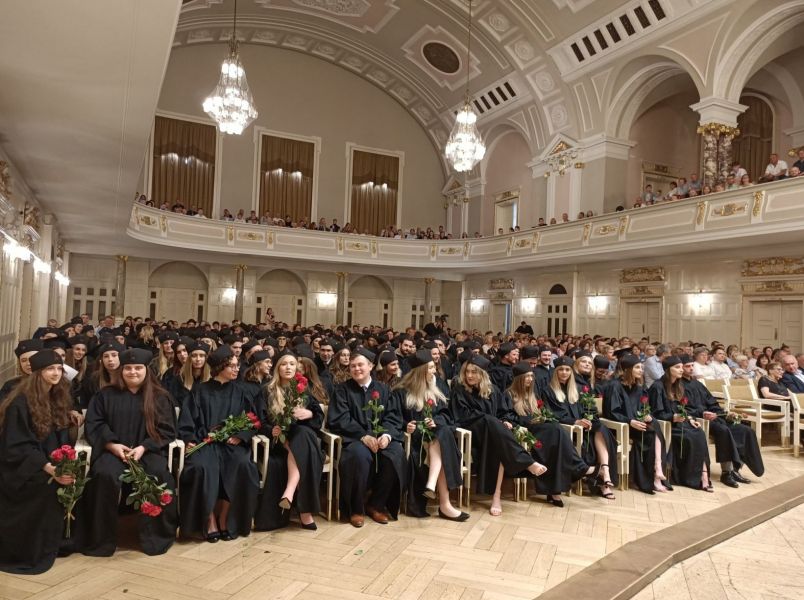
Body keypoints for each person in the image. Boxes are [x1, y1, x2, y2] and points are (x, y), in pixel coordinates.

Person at [75, 348, 178, 556]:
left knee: (157, 474)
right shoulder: (104, 395)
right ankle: (101, 539)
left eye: (138, 368)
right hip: (112, 451)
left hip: (147, 451)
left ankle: (154, 538)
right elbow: (95, 424)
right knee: (104, 475)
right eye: (128, 368)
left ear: (146, 371)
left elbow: (166, 429)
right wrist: (112, 445)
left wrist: (144, 447)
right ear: (121, 370)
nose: (132, 372)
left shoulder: (160, 397)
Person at [0, 350, 75, 573]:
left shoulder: (57, 396)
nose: (55, 373)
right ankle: (30, 550)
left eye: (59, 369)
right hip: (19, 467)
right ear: (37, 373)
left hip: (45, 461)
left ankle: (53, 543)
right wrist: (48, 468)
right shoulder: (19, 403)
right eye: (49, 369)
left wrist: (63, 463)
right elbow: (17, 445)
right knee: (45, 488)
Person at [177, 346, 259, 542]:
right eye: (231, 366)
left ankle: (225, 518)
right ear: (220, 367)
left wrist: (241, 435)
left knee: (242, 466)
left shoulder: (241, 391)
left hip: (232, 444)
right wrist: (190, 440)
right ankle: (209, 519)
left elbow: (252, 419)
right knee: (201, 467)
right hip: (205, 442)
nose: (236, 369)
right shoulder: (200, 391)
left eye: (237, 365)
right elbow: (187, 422)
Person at [449, 355, 547, 516]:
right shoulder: (459, 390)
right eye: (467, 372)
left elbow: (504, 412)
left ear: (482, 373)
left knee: (500, 439)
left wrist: (506, 421)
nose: (469, 376)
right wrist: (495, 421)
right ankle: (527, 461)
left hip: (493, 433)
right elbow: (461, 415)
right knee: (492, 423)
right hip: (470, 432)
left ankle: (496, 496)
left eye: (474, 372)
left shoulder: (493, 390)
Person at [327, 349, 406, 527]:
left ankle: (376, 505)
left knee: (395, 453)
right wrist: (362, 435)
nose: (356, 369)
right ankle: (355, 509)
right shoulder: (342, 390)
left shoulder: (384, 389)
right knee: (358, 456)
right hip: (355, 439)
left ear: (370, 366)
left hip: (380, 438)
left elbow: (393, 416)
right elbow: (340, 419)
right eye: (353, 366)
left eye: (360, 365)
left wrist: (386, 435)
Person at [503, 362, 593, 506]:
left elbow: (543, 412)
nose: (530, 379)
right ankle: (579, 467)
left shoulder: (533, 394)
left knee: (555, 444)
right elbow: (506, 417)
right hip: (525, 431)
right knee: (556, 429)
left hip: (540, 429)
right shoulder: (508, 394)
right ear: (518, 378)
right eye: (526, 377)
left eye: (531, 376)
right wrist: (527, 421)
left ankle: (555, 492)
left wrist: (542, 418)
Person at [393, 350, 468, 521]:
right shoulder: (400, 392)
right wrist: (407, 426)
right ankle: (445, 504)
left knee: (442, 431)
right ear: (420, 372)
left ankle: (434, 487)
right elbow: (395, 418)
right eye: (431, 368)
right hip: (416, 440)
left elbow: (447, 414)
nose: (434, 371)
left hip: (437, 434)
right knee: (443, 436)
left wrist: (436, 421)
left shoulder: (439, 386)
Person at [254, 352, 324, 531]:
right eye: (284, 364)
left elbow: (318, 415)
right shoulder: (266, 390)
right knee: (304, 440)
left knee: (303, 433)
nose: (288, 367)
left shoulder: (303, 388)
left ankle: (289, 492)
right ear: (278, 368)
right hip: (278, 443)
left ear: (297, 368)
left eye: (292, 364)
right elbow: (259, 420)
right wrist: (272, 430)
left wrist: (310, 413)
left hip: (299, 441)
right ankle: (305, 513)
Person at [541, 356, 618, 499]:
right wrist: (575, 422)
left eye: (567, 370)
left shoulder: (578, 389)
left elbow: (590, 410)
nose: (564, 372)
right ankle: (603, 482)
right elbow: (552, 415)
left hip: (584, 428)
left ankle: (604, 471)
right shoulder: (548, 390)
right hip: (567, 431)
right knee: (595, 437)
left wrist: (588, 420)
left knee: (600, 428)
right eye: (561, 370)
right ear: (556, 372)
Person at [680, 355, 763, 487]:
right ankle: (726, 472)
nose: (690, 369)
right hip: (699, 420)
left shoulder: (697, 384)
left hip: (715, 417)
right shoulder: (678, 386)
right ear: (681, 368)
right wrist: (703, 413)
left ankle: (736, 469)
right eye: (687, 366)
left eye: (692, 366)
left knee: (745, 430)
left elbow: (711, 401)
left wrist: (721, 413)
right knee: (723, 431)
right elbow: (683, 408)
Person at [604, 355, 670, 494]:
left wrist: (646, 415)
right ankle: (654, 476)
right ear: (628, 369)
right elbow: (611, 412)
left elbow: (644, 407)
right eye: (638, 367)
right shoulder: (614, 386)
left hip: (636, 425)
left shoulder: (639, 387)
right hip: (620, 427)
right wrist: (630, 421)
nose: (641, 370)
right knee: (652, 432)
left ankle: (657, 472)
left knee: (654, 425)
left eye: (642, 367)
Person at [648, 356, 712, 491]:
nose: (681, 370)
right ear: (667, 370)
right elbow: (656, 413)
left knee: (698, 432)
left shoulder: (678, 385)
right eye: (677, 367)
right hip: (666, 424)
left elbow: (682, 409)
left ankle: (703, 475)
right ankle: (693, 477)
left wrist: (690, 419)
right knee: (691, 436)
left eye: (681, 367)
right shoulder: (657, 387)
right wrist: (673, 417)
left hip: (678, 423)